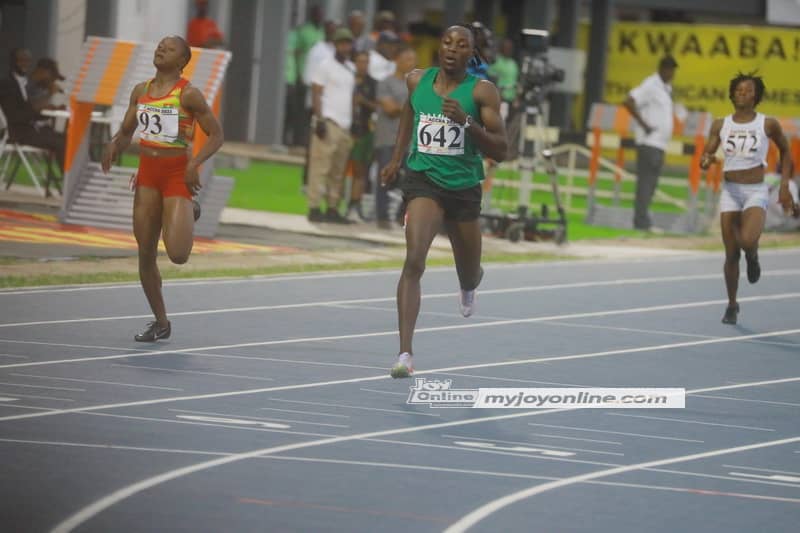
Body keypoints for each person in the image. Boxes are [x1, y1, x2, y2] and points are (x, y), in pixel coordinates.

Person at [380, 25, 508, 378]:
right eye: (447, 42)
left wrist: (466, 122)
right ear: (439, 48)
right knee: (414, 260)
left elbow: (502, 150)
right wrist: (396, 157)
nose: (452, 49)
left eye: (461, 45)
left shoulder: (482, 92)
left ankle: (468, 285)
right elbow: (410, 111)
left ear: (471, 53)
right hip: (424, 181)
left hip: (464, 188)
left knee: (470, 270)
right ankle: (405, 353)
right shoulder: (416, 81)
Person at [101, 36, 223, 341]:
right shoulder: (141, 90)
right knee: (145, 252)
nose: (160, 50)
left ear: (181, 61)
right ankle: (160, 322)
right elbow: (128, 130)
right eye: (159, 46)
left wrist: (194, 164)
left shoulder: (189, 95)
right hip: (147, 177)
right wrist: (115, 144)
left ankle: (189, 210)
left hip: (175, 175)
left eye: (168, 49)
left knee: (178, 254)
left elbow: (217, 135)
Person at [700, 72, 796, 325]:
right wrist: (706, 160)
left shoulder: (768, 124)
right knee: (731, 253)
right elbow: (706, 155)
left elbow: (786, 153)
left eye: (749, 90)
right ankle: (732, 305)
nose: (743, 93)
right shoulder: (721, 125)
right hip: (730, 192)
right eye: (739, 90)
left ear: (757, 97)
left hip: (755, 190)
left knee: (746, 240)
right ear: (732, 94)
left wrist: (785, 187)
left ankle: (753, 257)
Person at [306, 28, 356, 223]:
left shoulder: (351, 68)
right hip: (328, 121)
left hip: (345, 125)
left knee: (338, 170)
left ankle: (333, 207)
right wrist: (319, 119)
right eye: (342, 43)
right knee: (321, 166)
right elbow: (316, 93)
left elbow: (350, 97)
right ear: (335, 45)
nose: (345, 47)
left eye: (348, 43)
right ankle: (314, 206)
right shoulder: (325, 65)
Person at [623, 56, 678, 231]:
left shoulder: (665, 88)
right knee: (645, 184)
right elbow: (629, 101)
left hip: (659, 144)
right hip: (649, 142)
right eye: (670, 69)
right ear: (662, 68)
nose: (672, 74)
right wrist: (644, 125)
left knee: (651, 185)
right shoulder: (651, 85)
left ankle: (643, 219)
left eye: (673, 70)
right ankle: (641, 223)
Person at [0, 48, 66, 180]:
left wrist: (48, 113)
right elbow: (15, 115)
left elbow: (28, 110)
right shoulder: (6, 84)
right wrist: (40, 110)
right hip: (18, 132)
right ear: (13, 62)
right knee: (61, 143)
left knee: (68, 138)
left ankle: (70, 179)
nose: (24, 64)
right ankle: (67, 181)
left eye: (27, 60)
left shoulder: (23, 82)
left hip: (31, 128)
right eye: (21, 60)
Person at [375, 45, 417, 229]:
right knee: (386, 177)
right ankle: (382, 217)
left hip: (409, 141)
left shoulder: (416, 85)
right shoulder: (385, 82)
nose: (412, 62)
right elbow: (389, 108)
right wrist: (412, 105)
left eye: (413, 59)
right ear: (397, 60)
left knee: (412, 179)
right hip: (387, 138)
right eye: (408, 58)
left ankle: (403, 215)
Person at [347, 50, 378, 223]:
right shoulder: (346, 78)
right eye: (359, 61)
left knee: (360, 171)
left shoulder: (372, 84)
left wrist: (363, 101)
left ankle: (354, 205)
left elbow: (377, 106)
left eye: (366, 62)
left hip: (365, 131)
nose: (362, 65)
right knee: (339, 171)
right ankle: (334, 206)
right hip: (345, 128)